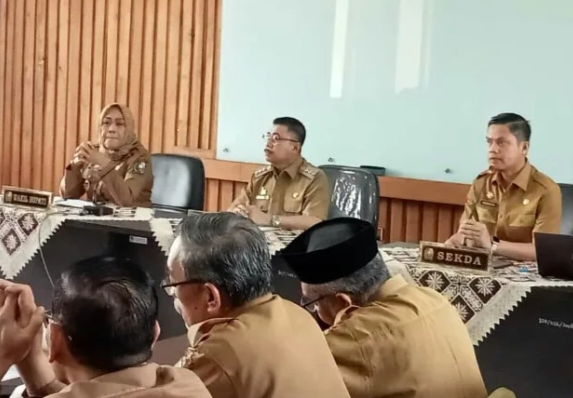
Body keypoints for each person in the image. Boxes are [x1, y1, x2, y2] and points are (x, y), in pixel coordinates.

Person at [280, 217, 486, 398]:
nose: (315, 312)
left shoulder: (357, 336)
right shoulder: (434, 298)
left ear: (343, 302)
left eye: (313, 304)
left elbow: (285, 382)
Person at [164, 212, 350, 398]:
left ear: (211, 297)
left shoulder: (218, 355)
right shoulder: (297, 314)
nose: (172, 293)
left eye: (173, 284)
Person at [0, 256, 211, 397]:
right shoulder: (187, 384)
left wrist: (4, 355)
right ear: (155, 332)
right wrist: (30, 360)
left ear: (54, 338)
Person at [445, 113, 562, 261]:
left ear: (524, 148)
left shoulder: (546, 190)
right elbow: (466, 232)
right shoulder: (482, 183)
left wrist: (493, 245)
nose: (492, 149)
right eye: (489, 142)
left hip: (524, 270)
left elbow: (542, 251)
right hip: (485, 266)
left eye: (501, 143)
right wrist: (457, 241)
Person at [228, 117, 329, 230]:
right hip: (258, 239)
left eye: (276, 138)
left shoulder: (314, 178)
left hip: (296, 241)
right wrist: (239, 212)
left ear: (295, 147)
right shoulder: (259, 177)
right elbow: (232, 210)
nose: (268, 143)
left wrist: (270, 220)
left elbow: (314, 221)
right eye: (268, 137)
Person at [60, 103, 154, 207]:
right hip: (97, 215)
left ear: (129, 129)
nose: (111, 129)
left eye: (119, 124)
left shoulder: (139, 157)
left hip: (133, 216)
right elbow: (67, 195)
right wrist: (75, 167)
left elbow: (126, 200)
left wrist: (104, 163)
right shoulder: (94, 151)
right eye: (106, 123)